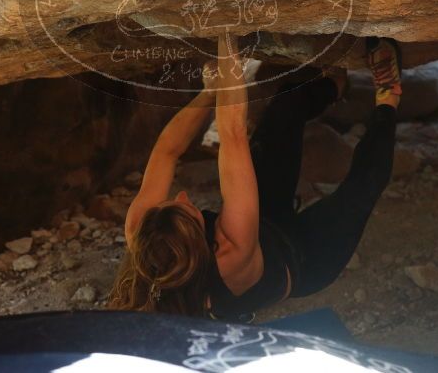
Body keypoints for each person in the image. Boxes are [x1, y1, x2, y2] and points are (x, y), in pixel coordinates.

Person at [109, 33, 402, 321]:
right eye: (190, 210)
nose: (183, 196)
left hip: (262, 222)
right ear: (204, 243)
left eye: (172, 203)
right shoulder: (231, 257)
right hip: (305, 259)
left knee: (283, 113)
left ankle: (333, 86)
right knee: (364, 184)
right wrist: (227, 37)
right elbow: (232, 133)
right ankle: (389, 95)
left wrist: (209, 92)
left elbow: (167, 152)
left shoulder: (142, 229)